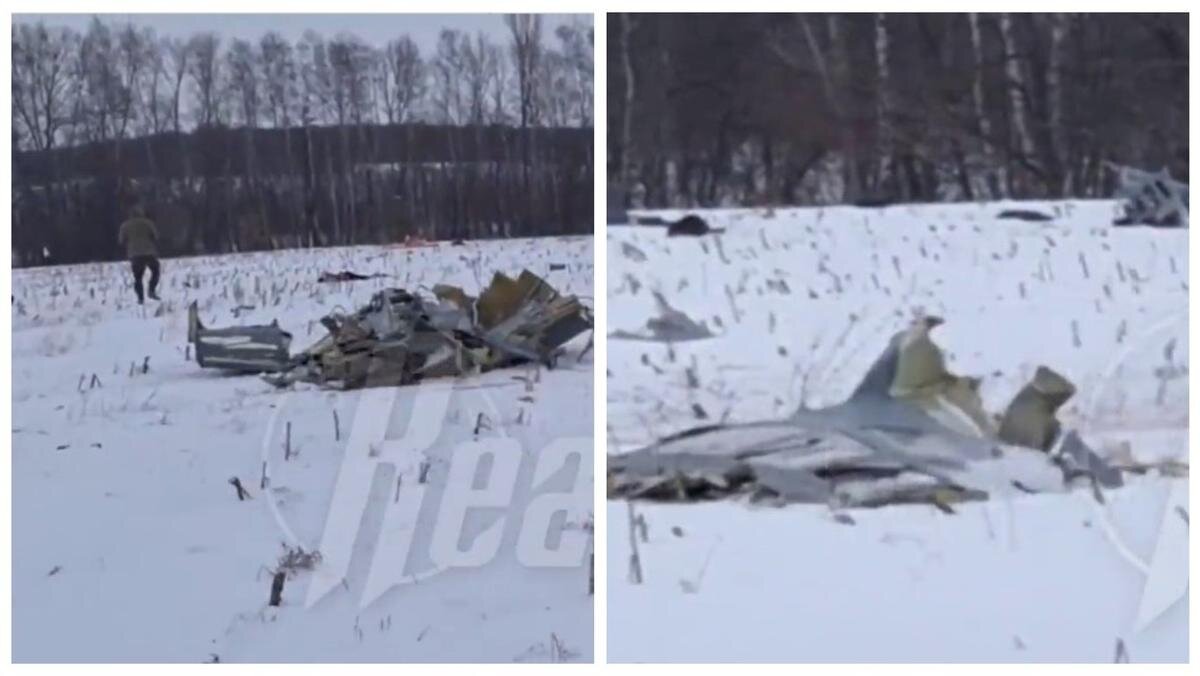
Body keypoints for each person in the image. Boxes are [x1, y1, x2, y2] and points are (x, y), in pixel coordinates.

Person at [117, 205, 161, 304]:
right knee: (155, 271)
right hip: (149, 252)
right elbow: (156, 236)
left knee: (138, 277)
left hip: (134, 254)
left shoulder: (125, 225)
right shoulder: (148, 223)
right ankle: (151, 290)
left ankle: (140, 299)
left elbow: (121, 240)